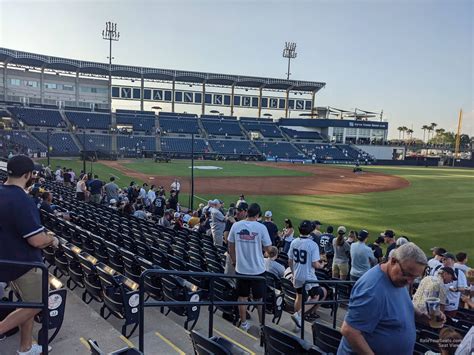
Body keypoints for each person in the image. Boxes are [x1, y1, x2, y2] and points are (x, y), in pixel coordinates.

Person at [0, 155, 59, 354]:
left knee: (28, 303)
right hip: (23, 264)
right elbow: (37, 241)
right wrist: (51, 238)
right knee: (37, 304)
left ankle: (25, 347)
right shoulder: (21, 199)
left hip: (7, 261)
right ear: (28, 175)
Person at [338, 243, 438, 355]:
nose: (410, 281)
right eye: (408, 274)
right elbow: (350, 331)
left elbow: (399, 305)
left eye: (415, 277)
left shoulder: (398, 280)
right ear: (393, 261)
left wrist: (421, 316)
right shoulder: (372, 289)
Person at [228, 203, 272, 331]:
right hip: (257, 270)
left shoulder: (236, 225)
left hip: (241, 269)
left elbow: (230, 245)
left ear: (247, 212)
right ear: (258, 215)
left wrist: (234, 261)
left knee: (242, 297)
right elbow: (268, 249)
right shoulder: (261, 227)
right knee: (259, 299)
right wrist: (273, 251)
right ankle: (262, 326)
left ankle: (243, 324)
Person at [288, 220, 327, 328]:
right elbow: (315, 264)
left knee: (299, 296)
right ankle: (298, 315)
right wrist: (322, 265)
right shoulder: (312, 244)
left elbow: (290, 261)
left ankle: (297, 324)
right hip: (308, 276)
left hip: (297, 274)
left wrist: (293, 273)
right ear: (310, 230)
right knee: (316, 295)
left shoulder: (294, 242)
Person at [442, 253, 468, 317]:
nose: (444, 260)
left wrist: (455, 289)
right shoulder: (438, 270)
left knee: (448, 323)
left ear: (453, 261)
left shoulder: (459, 273)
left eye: (446, 259)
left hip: (450, 306)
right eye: (443, 259)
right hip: (438, 304)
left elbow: (464, 288)